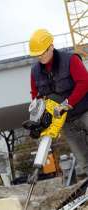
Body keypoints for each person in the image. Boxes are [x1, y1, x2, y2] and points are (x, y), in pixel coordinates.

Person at [29, 29, 88, 178]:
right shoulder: (35, 71)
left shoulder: (70, 60)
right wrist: (37, 119)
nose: (41, 57)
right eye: (38, 54)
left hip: (84, 111)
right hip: (66, 122)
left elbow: (84, 82)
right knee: (83, 159)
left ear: (51, 46)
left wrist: (68, 103)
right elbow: (36, 96)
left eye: (43, 52)